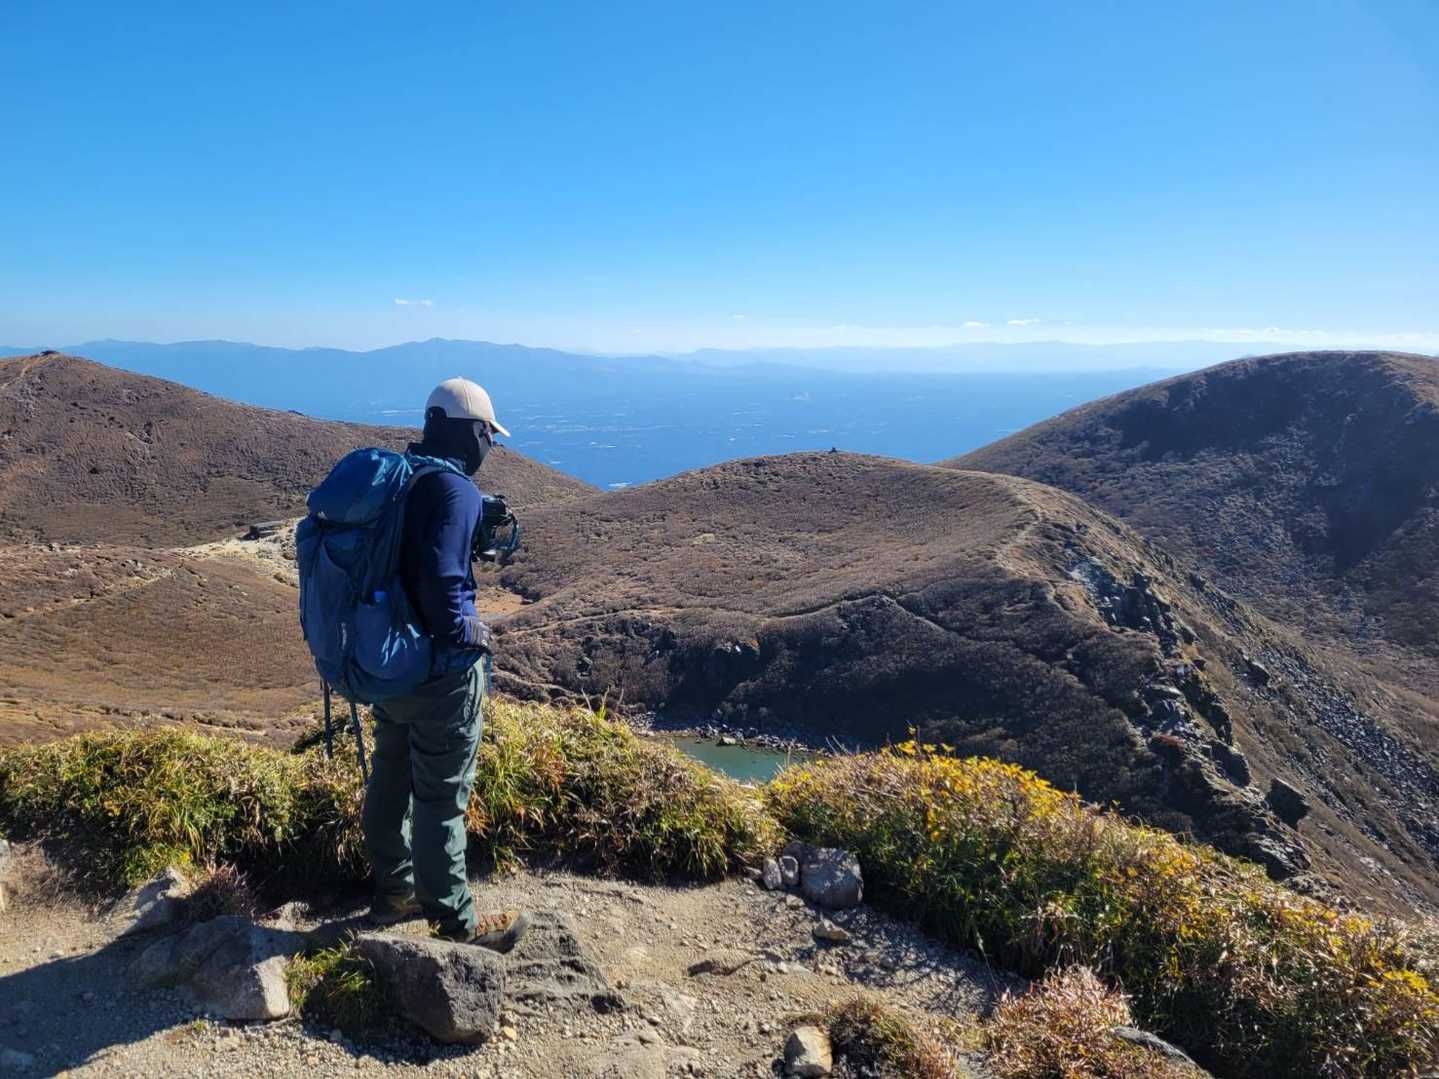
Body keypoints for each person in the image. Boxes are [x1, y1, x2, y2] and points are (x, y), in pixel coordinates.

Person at [361, 377, 530, 950]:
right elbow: (441, 582)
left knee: (390, 775)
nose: (491, 446)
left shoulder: (403, 477)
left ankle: (394, 894)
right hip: (440, 671)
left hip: (390, 664)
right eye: (489, 435)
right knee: (440, 798)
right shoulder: (454, 490)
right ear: (473, 431)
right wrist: (467, 634)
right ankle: (456, 927)